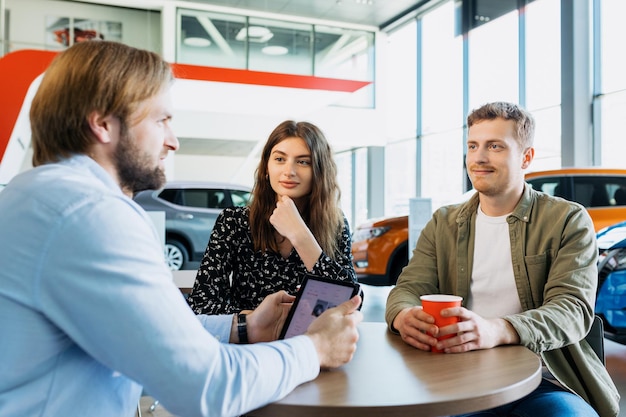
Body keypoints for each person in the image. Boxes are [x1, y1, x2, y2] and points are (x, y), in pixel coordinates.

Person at [0, 40, 363, 417]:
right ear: (103, 124)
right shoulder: (90, 214)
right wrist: (315, 348)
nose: (172, 141)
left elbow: (159, 333)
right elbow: (207, 388)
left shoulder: (38, 196)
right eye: (161, 120)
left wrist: (247, 326)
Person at [385, 102, 620, 417]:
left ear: (526, 157)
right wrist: (403, 314)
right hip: (460, 379)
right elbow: (409, 286)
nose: (479, 157)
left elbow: (572, 310)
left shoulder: (567, 219)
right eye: (473, 146)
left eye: (495, 146)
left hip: (545, 381)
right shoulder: (445, 222)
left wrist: (497, 329)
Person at [187, 120, 357, 315]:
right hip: (247, 342)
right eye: (279, 159)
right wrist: (262, 319)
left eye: (303, 162)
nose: (289, 171)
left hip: (309, 342)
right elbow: (201, 304)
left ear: (319, 172)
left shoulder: (336, 224)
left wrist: (300, 236)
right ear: (266, 168)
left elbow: (351, 304)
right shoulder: (233, 222)